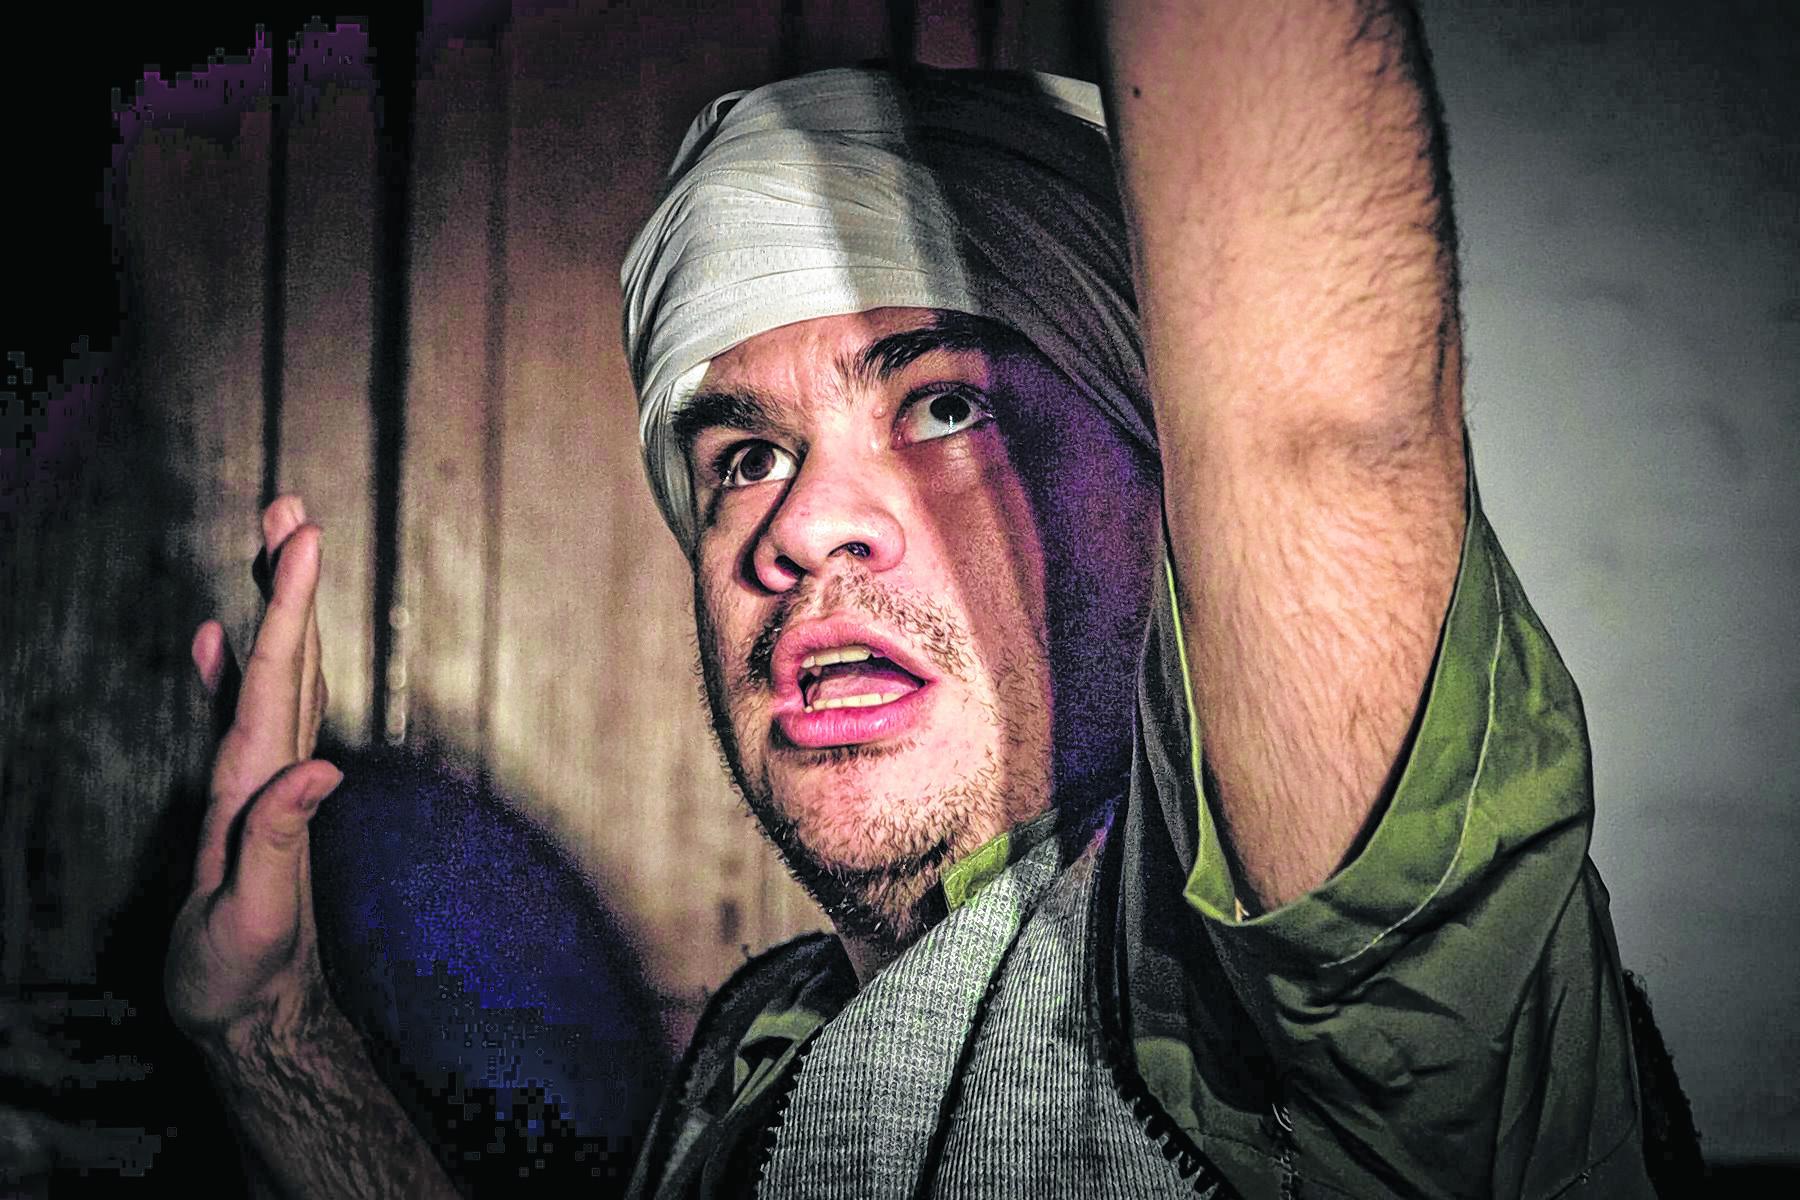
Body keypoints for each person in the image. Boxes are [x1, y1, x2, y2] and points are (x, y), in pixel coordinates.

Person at [164, 2, 1667, 1196]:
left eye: (949, 406)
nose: (800, 524)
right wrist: (272, 1034)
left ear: (1166, 489)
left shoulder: (1315, 1003)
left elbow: (1322, 432)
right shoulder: (760, 1056)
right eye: (747, 456)